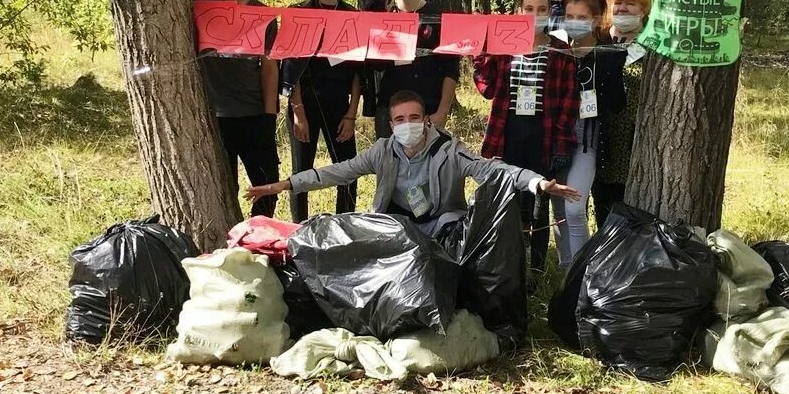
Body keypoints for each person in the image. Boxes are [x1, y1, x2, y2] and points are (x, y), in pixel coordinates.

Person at [245, 90, 580, 235]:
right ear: (392, 125)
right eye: (400, 119)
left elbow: (492, 169)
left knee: (455, 228)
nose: (408, 124)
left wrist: (537, 183)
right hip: (397, 226)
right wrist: (286, 184)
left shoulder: (449, 150)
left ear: (427, 120)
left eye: (414, 117)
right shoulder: (382, 150)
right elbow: (337, 172)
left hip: (438, 225)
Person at [473, 0, 580, 277]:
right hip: (507, 132)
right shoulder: (504, 47)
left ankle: (537, 270)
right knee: (510, 199)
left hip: (542, 134)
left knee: (539, 204)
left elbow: (569, 103)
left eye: (541, 10)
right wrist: (483, 54)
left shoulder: (560, 51)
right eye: (528, 9)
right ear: (519, 12)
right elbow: (488, 88)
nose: (534, 15)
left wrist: (561, 144)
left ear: (549, 14)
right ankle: (512, 267)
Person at [191, 0, 280, 217]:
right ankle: (228, 245)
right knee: (221, 189)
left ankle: (257, 242)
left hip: (253, 113)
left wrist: (269, 115)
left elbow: (269, 66)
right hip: (213, 116)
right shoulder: (199, 3)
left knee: (267, 186)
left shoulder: (262, 13)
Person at [548, 0, 626, 269]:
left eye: (581, 17)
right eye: (569, 17)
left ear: (595, 20)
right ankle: (566, 267)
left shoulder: (606, 55)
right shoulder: (557, 52)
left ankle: (582, 271)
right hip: (556, 136)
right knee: (558, 206)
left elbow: (617, 104)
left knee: (573, 206)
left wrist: (613, 70)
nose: (574, 22)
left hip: (587, 140)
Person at [281, 0, 360, 222]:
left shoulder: (352, 15)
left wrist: (351, 113)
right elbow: (291, 68)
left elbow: (358, 71)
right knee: (301, 172)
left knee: (348, 171)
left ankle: (345, 224)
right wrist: (298, 112)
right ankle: (299, 228)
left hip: (340, 104)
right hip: (304, 104)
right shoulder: (299, 13)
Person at [372, 0, 460, 138]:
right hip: (391, 109)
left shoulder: (440, 17)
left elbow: (451, 69)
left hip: (429, 109)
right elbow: (376, 66)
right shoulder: (385, 20)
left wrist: (442, 111)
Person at [592, 0, 651, 226]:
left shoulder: (651, 46)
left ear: (644, 10)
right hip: (598, 131)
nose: (623, 8)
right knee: (600, 197)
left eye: (631, 3)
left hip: (633, 137)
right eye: (618, 2)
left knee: (625, 199)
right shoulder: (598, 40)